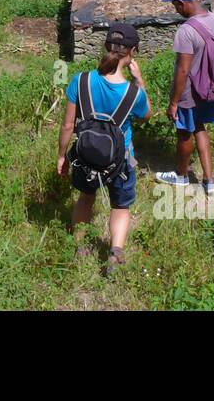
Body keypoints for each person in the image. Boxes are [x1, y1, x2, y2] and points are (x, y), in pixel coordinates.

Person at [57, 22, 150, 274]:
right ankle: (115, 254)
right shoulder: (133, 93)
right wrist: (140, 81)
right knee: (120, 206)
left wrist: (62, 156)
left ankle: (79, 245)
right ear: (133, 51)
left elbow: (67, 125)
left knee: (85, 197)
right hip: (120, 161)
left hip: (85, 157)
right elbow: (146, 116)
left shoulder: (81, 80)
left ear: (106, 46)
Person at [155, 0, 214, 195]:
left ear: (181, 3)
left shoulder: (186, 31)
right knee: (201, 127)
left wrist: (174, 103)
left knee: (184, 132)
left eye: (176, 6)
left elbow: (183, 71)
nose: (176, 11)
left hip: (190, 92)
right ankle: (209, 180)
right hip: (213, 88)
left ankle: (182, 176)